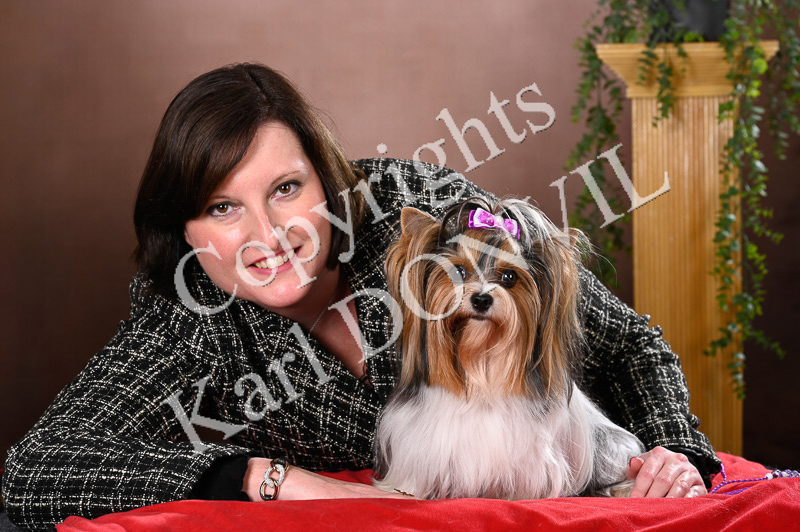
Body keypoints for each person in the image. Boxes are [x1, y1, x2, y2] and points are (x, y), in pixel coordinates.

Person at [1, 63, 720, 529]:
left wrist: (677, 452)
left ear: (327, 178)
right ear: (185, 234)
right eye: (222, 208)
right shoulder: (182, 315)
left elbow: (630, 343)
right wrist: (266, 477)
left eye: (287, 189)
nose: (268, 235)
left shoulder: (426, 211)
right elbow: (35, 469)